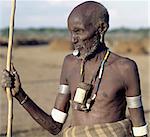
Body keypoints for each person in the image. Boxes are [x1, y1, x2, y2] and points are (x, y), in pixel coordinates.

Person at [1, 1, 148, 137]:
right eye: (71, 32)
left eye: (79, 31)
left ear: (101, 28)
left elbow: (139, 129)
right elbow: (55, 126)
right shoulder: (69, 64)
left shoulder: (125, 68)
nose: (73, 39)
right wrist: (20, 95)